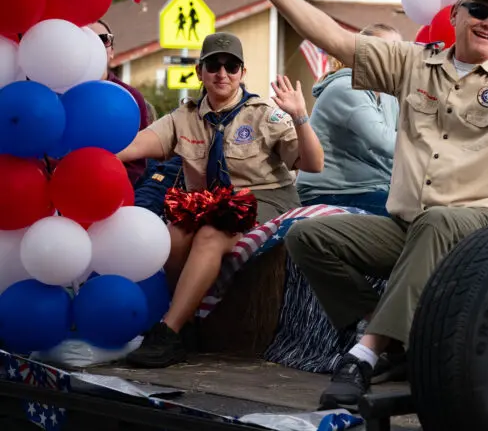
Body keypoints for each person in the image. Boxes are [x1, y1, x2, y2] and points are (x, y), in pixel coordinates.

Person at [222, 0, 488, 410]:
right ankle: (384, 334)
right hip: (410, 225)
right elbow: (335, 40)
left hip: (482, 228)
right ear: (456, 14)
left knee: (438, 221)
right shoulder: (414, 62)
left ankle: (364, 357)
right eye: (480, 10)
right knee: (307, 236)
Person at [114, 32, 325, 368]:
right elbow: (135, 146)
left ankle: (168, 332)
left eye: (231, 65)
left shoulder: (264, 114)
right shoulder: (184, 117)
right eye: (214, 64)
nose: (222, 73)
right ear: (200, 71)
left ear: (242, 72)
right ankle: (189, 325)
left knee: (210, 236)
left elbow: (313, 164)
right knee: (171, 237)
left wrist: (300, 117)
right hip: (210, 204)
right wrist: (85, 150)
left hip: (264, 200)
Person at [295, 24, 402, 216]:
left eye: (399, 52)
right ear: (363, 55)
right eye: (387, 51)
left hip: (371, 188)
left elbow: (406, 134)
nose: (396, 59)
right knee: (415, 216)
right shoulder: (346, 88)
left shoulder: (388, 93)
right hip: (331, 193)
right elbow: (384, 142)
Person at [87, 19, 153, 185]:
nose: (95, 45)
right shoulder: (59, 93)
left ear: (112, 52)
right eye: (86, 38)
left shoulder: (130, 97)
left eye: (103, 39)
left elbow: (138, 163)